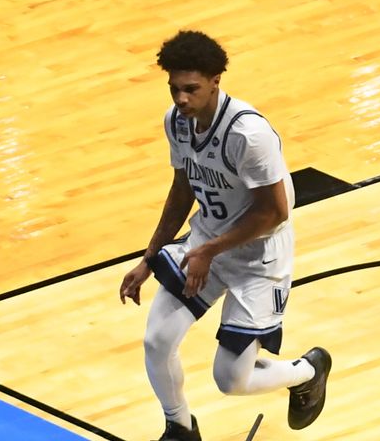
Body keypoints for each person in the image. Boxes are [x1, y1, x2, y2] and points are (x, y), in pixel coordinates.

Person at [120, 30, 331, 440]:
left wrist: (209, 252)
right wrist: (149, 259)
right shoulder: (177, 123)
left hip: (259, 256)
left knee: (230, 379)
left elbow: (274, 211)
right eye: (174, 89)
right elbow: (182, 190)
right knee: (157, 341)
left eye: (191, 89)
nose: (181, 100)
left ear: (216, 81)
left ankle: (308, 371)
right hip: (209, 242)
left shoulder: (247, 135)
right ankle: (180, 428)